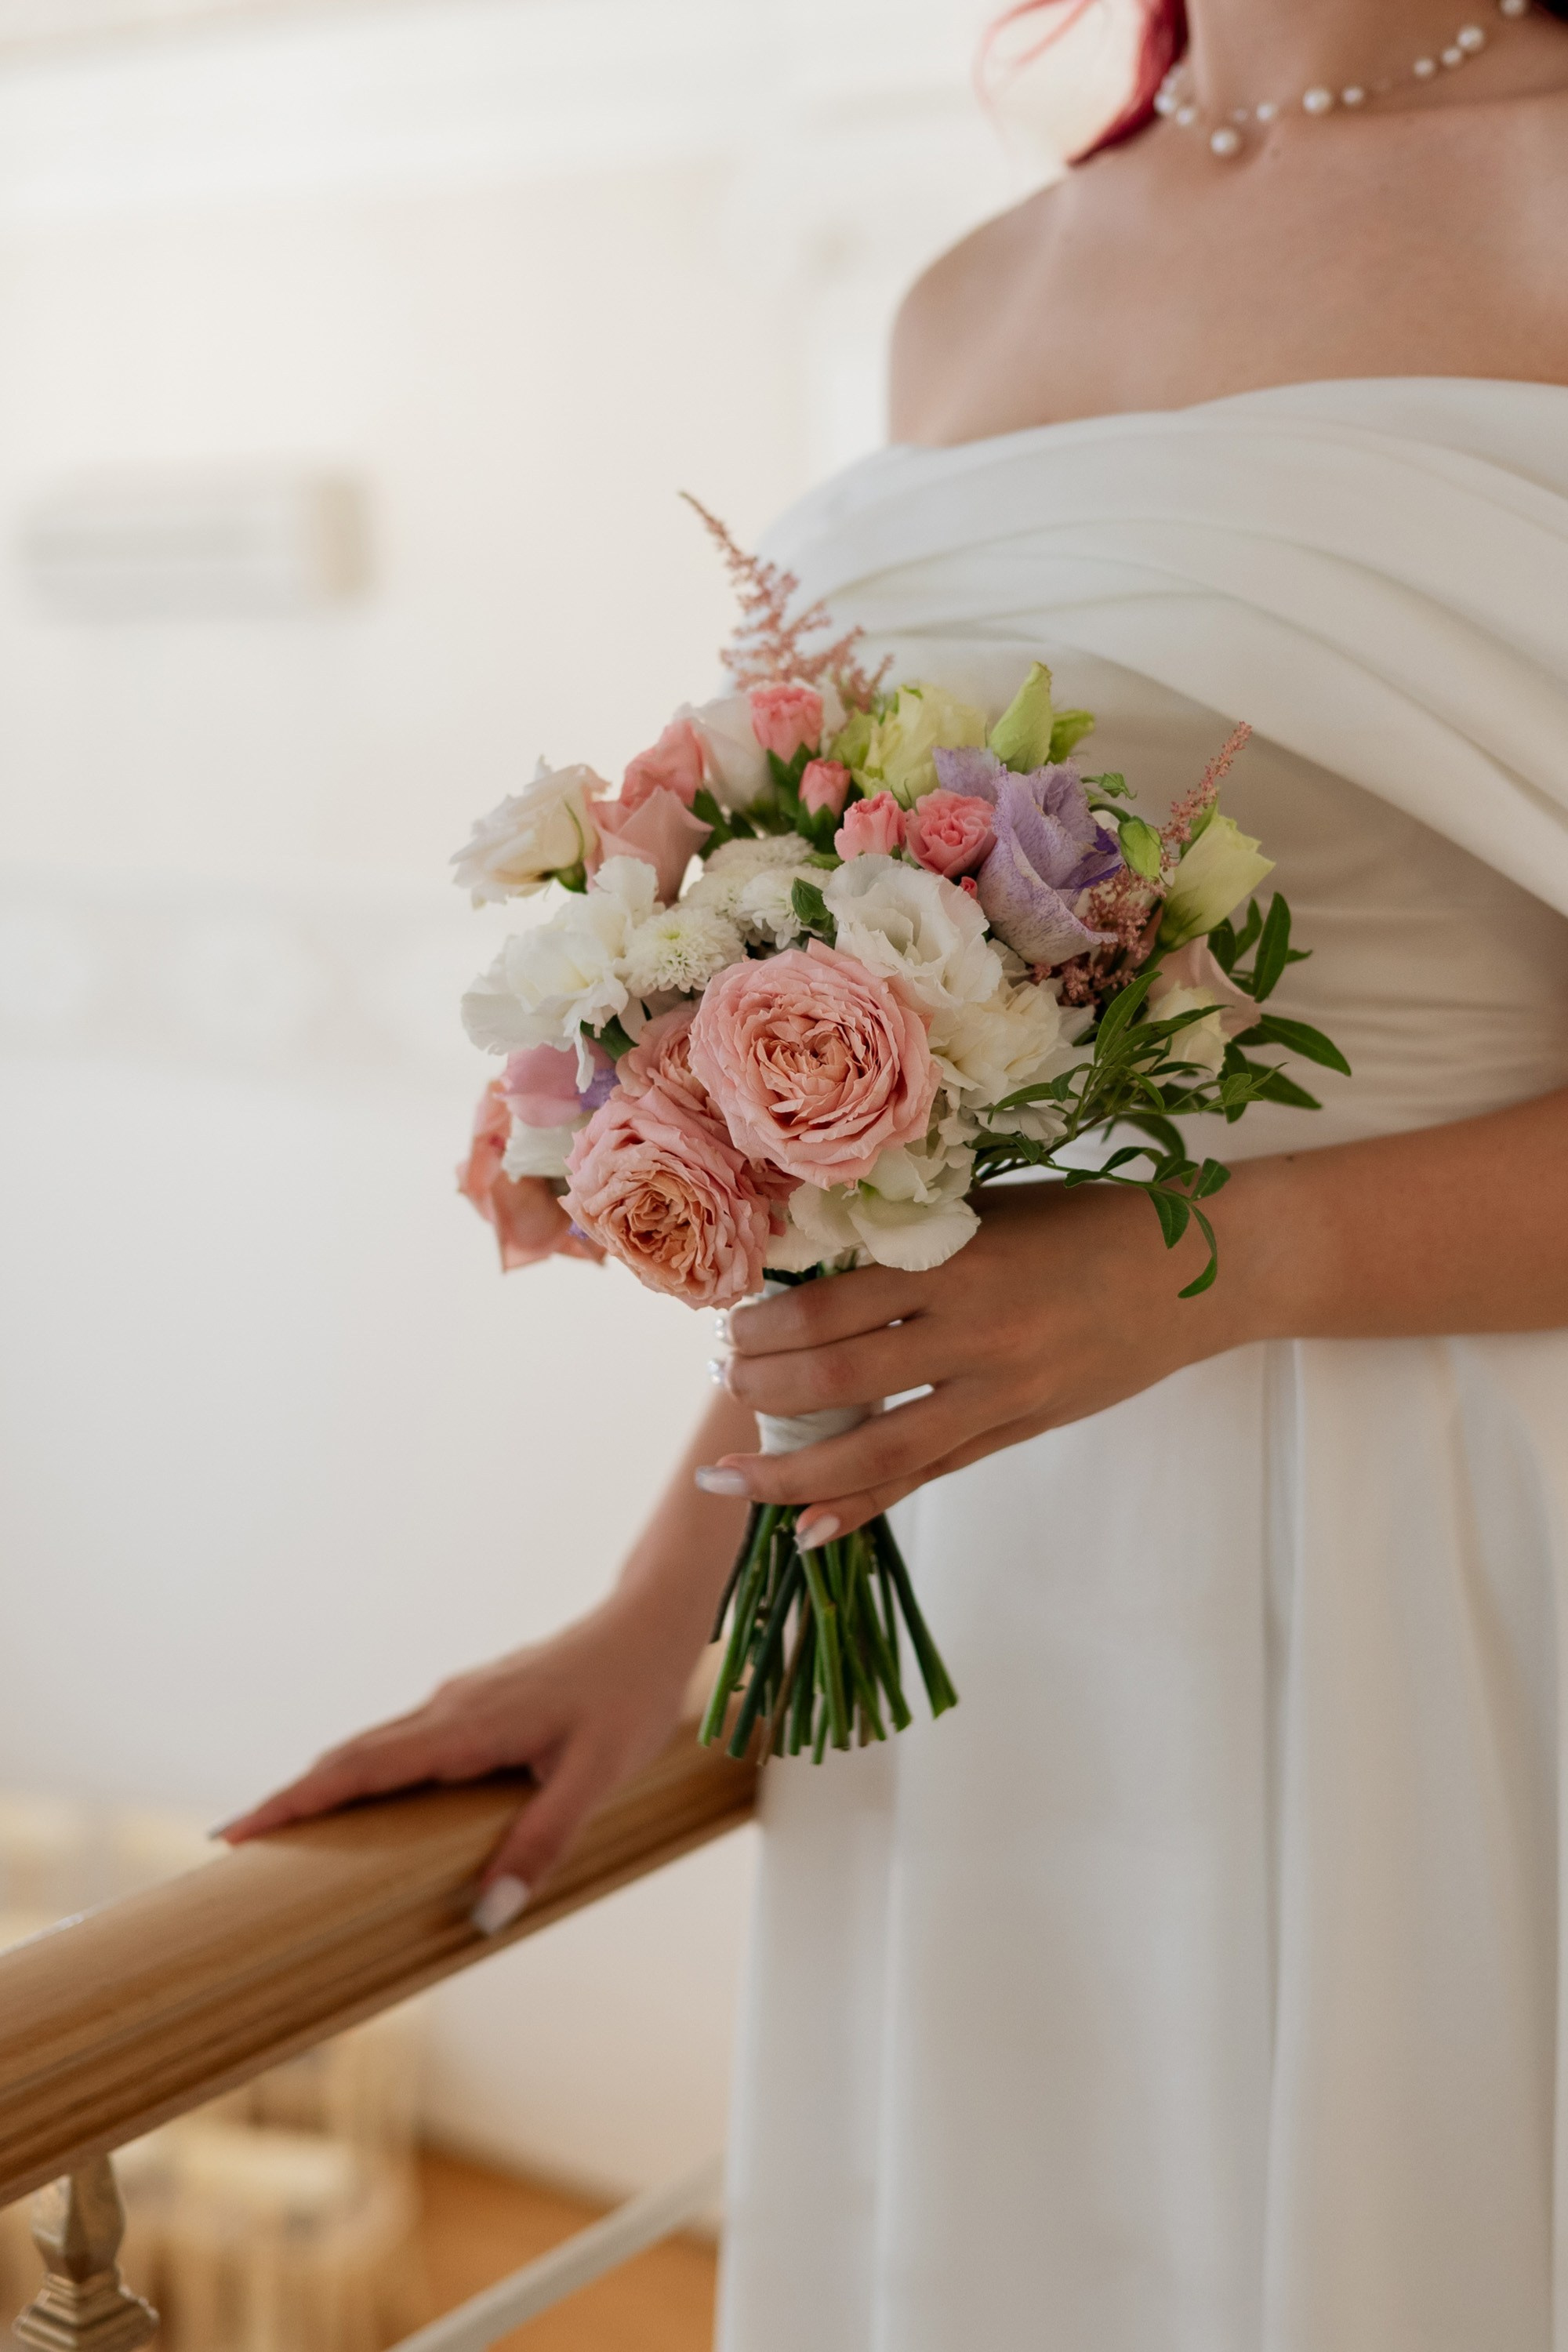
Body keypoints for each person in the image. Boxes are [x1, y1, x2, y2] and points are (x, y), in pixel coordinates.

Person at [225, 2, 1568, 2340]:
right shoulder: (972, 289)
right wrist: (662, 1618)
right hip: (1001, 1605)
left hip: (1468, 1537)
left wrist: (1223, 1265)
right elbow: (912, 1114)